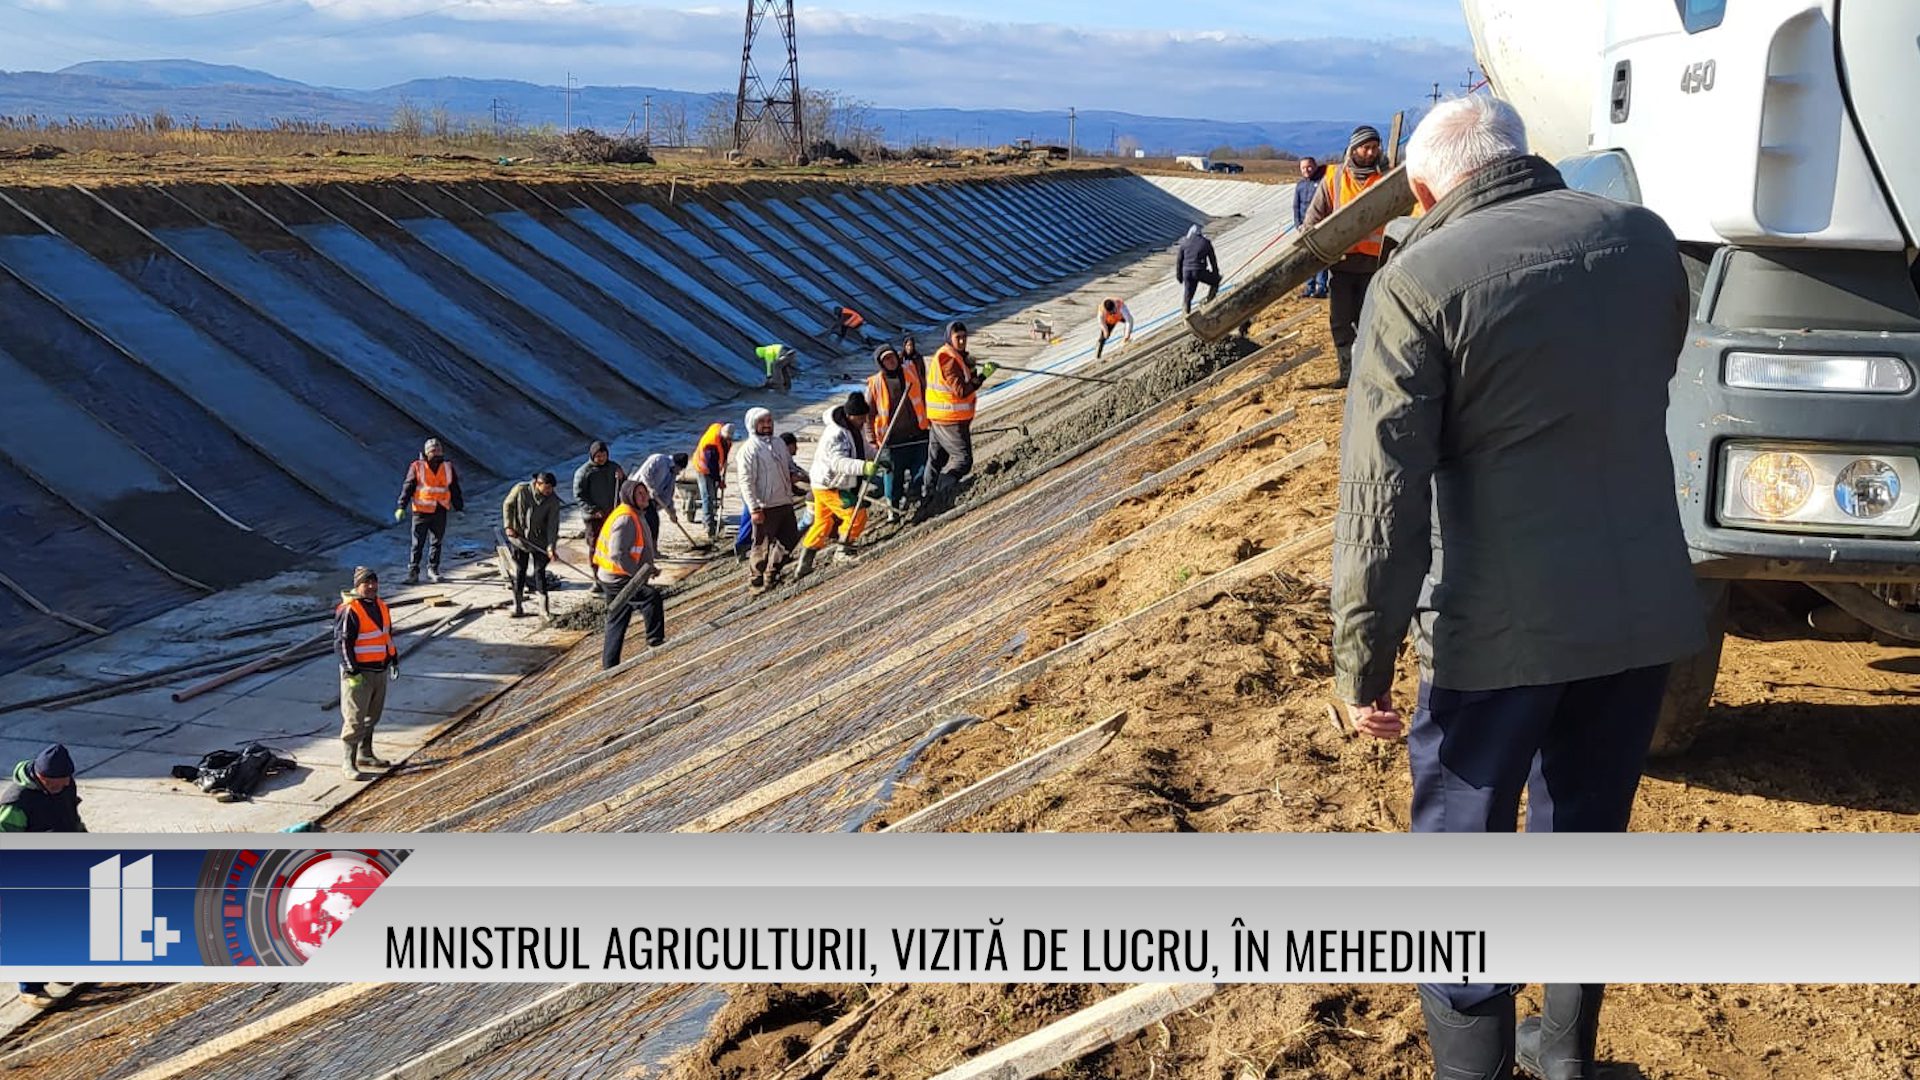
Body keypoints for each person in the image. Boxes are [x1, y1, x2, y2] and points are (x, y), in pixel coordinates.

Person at [1329, 96, 1705, 1080]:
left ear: (1422, 189)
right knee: (1584, 839)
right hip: (1640, 610)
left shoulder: (1416, 284)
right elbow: (1643, 382)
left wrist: (1361, 663)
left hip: (1497, 632)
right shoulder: (1642, 238)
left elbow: (1383, 500)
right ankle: (1566, 1059)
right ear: (1522, 159)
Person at [1302, 126, 1389, 388]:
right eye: (1366, 147)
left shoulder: (1387, 178)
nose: (1371, 152)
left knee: (1370, 321)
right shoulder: (1334, 178)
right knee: (1341, 320)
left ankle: (1368, 374)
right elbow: (1313, 218)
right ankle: (1347, 373)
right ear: (1354, 149)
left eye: (1375, 147)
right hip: (1341, 263)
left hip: (1375, 265)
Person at [2, 743, 82, 1008]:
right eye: (56, 784)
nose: (62, 787)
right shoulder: (16, 803)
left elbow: (73, 818)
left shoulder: (66, 786)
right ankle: (31, 988)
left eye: (65, 781)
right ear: (42, 778)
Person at [797, 393, 884, 579]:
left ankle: (804, 562)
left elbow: (862, 448)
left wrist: (877, 457)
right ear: (851, 415)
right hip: (829, 485)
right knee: (856, 513)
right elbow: (838, 462)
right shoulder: (836, 435)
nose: (863, 421)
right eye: (861, 417)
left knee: (823, 522)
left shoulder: (854, 428)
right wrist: (864, 467)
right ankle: (843, 549)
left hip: (828, 483)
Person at [334, 566, 399, 780]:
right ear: (357, 586)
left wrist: (393, 658)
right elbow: (343, 643)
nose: (371, 586)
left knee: (373, 716)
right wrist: (352, 671)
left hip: (379, 670)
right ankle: (348, 762)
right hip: (359, 673)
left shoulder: (381, 606)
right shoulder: (351, 610)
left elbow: (386, 635)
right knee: (355, 718)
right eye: (366, 583)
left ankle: (365, 753)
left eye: (374, 582)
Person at [922, 321, 994, 509]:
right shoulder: (948, 359)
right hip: (950, 419)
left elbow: (963, 379)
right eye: (958, 338)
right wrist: (983, 376)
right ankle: (944, 490)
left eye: (964, 337)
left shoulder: (953, 356)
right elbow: (961, 390)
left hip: (940, 416)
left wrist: (970, 368)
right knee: (963, 459)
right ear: (949, 338)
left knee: (936, 459)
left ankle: (928, 494)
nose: (962, 341)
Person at [594, 480, 665, 668]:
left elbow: (638, 548)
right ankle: (655, 640)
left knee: (618, 619)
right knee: (651, 598)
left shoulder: (635, 513)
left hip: (614, 575)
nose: (644, 497)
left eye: (644, 493)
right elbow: (617, 554)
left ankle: (610, 665)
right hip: (617, 577)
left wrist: (649, 568)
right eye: (639, 494)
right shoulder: (626, 518)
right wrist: (637, 576)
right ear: (629, 497)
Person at [738, 408, 804, 591]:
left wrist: (797, 475)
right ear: (753, 424)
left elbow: (789, 465)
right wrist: (754, 508)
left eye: (769, 421)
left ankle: (772, 571)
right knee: (761, 545)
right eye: (762, 422)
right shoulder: (748, 450)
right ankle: (756, 579)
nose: (767, 425)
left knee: (790, 538)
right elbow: (746, 481)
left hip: (784, 500)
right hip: (764, 506)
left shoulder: (779, 444)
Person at [865, 343, 928, 515]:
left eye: (892, 357)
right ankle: (893, 507)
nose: (890, 361)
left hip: (917, 434)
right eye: (886, 360)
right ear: (880, 363)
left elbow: (920, 368)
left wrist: (912, 352)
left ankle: (916, 495)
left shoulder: (909, 371)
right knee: (893, 479)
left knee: (922, 468)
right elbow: (868, 415)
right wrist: (871, 440)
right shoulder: (875, 384)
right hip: (892, 441)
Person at [396, 437, 462, 584]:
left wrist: (459, 507)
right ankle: (413, 572)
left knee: (436, 543)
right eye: (433, 450)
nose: (436, 452)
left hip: (440, 510)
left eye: (438, 449)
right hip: (421, 511)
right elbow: (408, 487)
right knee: (417, 543)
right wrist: (401, 506)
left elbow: (454, 488)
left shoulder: (447, 467)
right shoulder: (417, 466)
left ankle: (433, 570)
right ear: (427, 452)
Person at [733, 433, 806, 562]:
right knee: (751, 520)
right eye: (795, 446)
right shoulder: (763, 452)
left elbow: (788, 472)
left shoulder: (779, 453)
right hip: (757, 495)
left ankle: (763, 552)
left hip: (766, 496)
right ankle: (742, 546)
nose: (797, 449)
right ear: (788, 445)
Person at [502, 471, 562, 619]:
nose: (549, 491)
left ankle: (544, 608)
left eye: (551, 489)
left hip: (539, 540)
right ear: (538, 484)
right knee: (520, 570)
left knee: (539, 571)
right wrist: (509, 526)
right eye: (546, 488)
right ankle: (518, 605)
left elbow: (553, 525)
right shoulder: (521, 490)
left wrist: (551, 546)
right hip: (520, 538)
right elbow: (507, 505)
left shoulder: (553, 500)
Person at [573, 440, 625, 550]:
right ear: (592, 456)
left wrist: (622, 478)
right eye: (598, 456)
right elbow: (579, 495)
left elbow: (624, 486)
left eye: (604, 455)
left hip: (612, 513)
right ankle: (595, 566)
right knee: (595, 542)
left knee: (613, 541)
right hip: (594, 516)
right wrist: (593, 510)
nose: (601, 459)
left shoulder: (613, 467)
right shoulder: (584, 472)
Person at [1293, 156, 1330, 299]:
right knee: (1306, 257)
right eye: (1303, 168)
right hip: (1304, 226)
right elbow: (1296, 206)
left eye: (1309, 167)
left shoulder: (1322, 183)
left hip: (1319, 225)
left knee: (1320, 256)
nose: (1306, 170)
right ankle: (1309, 286)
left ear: (1314, 166)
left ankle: (1321, 287)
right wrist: (1298, 224)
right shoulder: (1300, 185)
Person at [691, 422, 736, 540]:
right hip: (703, 468)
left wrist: (724, 462)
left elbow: (723, 452)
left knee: (713, 496)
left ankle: (711, 518)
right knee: (708, 497)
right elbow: (712, 467)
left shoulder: (722, 433)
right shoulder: (711, 445)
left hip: (712, 467)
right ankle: (709, 526)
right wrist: (719, 480)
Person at [634, 450, 689, 543]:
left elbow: (668, 495)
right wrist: (650, 489)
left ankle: (653, 548)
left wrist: (672, 512)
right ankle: (651, 549)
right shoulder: (659, 459)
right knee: (650, 521)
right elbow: (645, 474)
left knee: (654, 522)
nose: (679, 472)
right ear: (675, 464)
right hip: (637, 492)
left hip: (650, 499)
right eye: (679, 469)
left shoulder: (672, 475)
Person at [1174, 225, 1220, 314]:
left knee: (1188, 294)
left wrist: (1179, 276)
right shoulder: (1206, 243)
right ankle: (1209, 302)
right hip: (1199, 271)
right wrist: (1216, 274)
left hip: (1186, 272)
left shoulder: (1184, 243)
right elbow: (1212, 260)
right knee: (1215, 282)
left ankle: (1186, 313)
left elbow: (1179, 261)